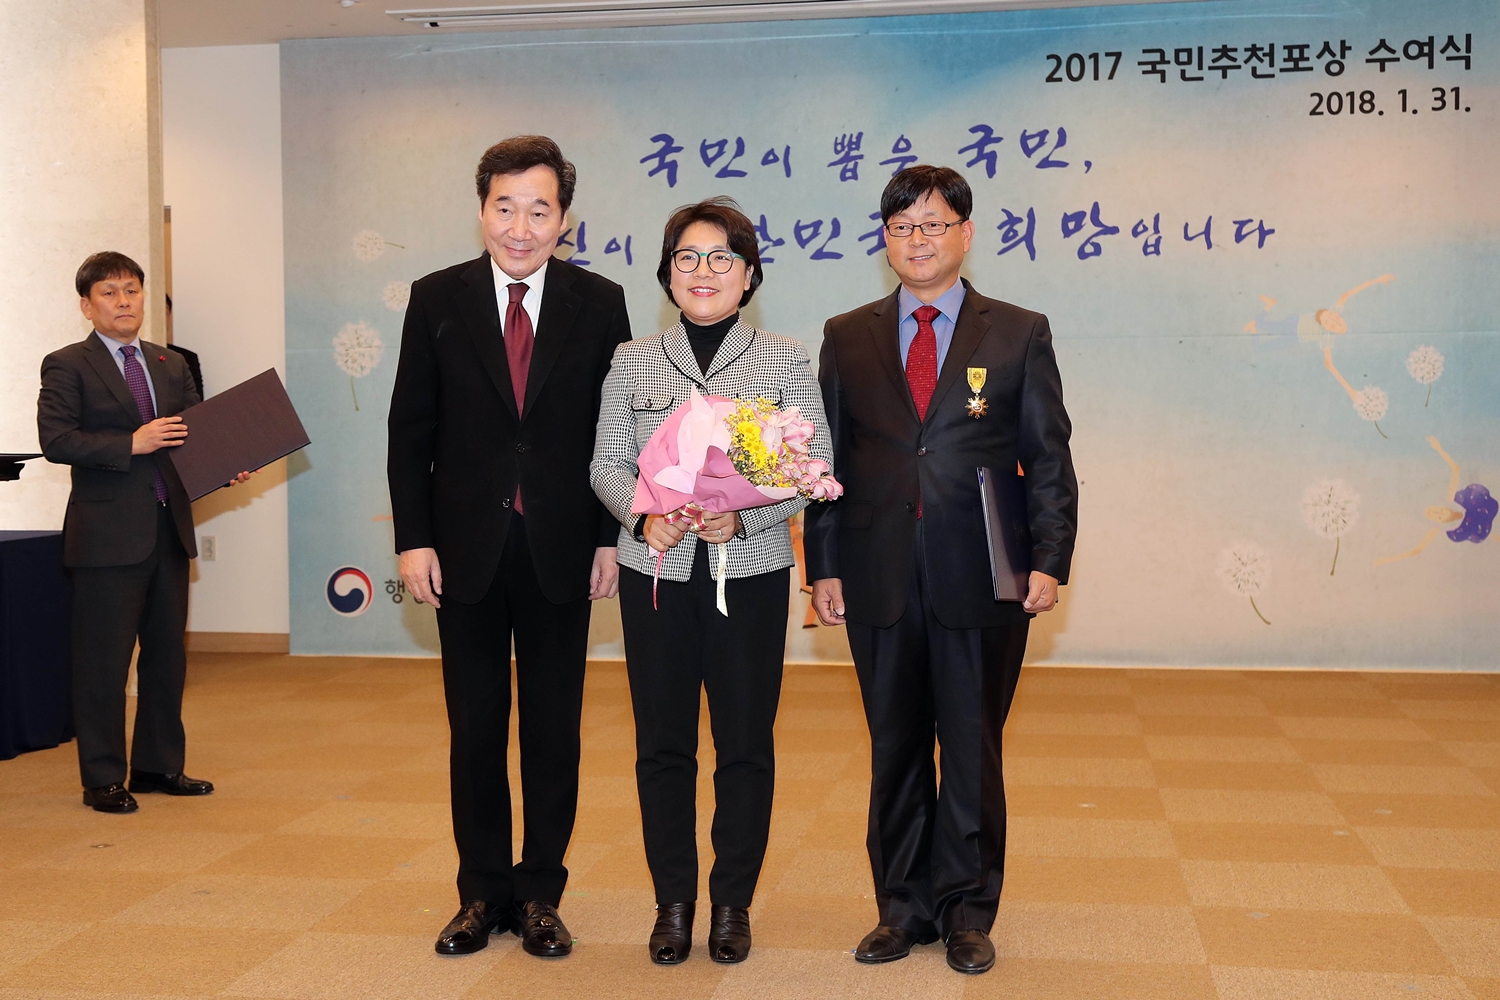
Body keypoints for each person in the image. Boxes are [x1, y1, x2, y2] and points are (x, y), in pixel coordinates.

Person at [805, 166, 1078, 975]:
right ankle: (901, 908)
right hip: (877, 570)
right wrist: (823, 565)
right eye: (901, 227)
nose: (917, 240)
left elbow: (1048, 455)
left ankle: (965, 910)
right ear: (884, 240)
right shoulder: (846, 334)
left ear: (965, 233)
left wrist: (1049, 557)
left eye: (933, 224)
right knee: (893, 746)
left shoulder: (1018, 331)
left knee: (969, 745)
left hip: (985, 569)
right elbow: (826, 461)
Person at [388, 136, 631, 959]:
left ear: (564, 220)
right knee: (476, 727)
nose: (520, 227)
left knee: (553, 731)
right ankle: (480, 892)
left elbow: (617, 430)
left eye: (539, 210)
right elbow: (409, 430)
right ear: (481, 210)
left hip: (564, 544)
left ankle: (539, 895)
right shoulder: (437, 297)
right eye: (505, 207)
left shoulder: (599, 301)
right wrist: (414, 539)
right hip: (465, 548)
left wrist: (610, 536)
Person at [590, 197, 832, 966]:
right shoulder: (632, 359)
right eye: (688, 257)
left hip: (749, 576)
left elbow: (813, 466)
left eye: (722, 257)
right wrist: (642, 518)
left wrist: (748, 518)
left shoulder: (784, 358)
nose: (704, 271)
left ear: (749, 274)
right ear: (668, 274)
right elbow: (605, 462)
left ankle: (732, 904)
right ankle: (673, 903)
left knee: (744, 744)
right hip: (656, 576)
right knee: (662, 745)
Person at [37, 251, 250, 814]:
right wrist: (131, 443)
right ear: (87, 306)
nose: (123, 301)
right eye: (109, 292)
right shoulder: (67, 364)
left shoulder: (169, 363)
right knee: (104, 664)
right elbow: (56, 440)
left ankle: (158, 766)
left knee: (166, 658)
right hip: (106, 537)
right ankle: (103, 777)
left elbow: (196, 436)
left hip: (167, 528)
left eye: (132, 289)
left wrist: (225, 464)